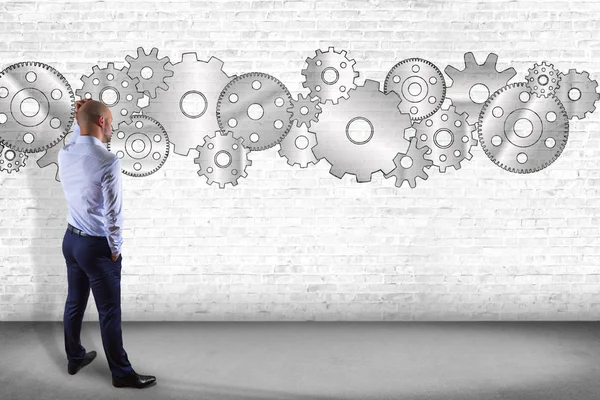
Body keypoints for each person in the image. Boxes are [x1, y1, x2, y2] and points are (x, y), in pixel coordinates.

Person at [58, 98, 156, 389]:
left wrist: (81, 118)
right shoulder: (108, 161)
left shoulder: (66, 152)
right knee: (109, 311)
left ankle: (74, 356)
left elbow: (80, 137)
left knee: (75, 302)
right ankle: (122, 373)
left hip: (70, 241)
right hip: (97, 248)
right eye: (110, 121)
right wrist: (115, 248)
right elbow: (114, 214)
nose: (112, 127)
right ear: (102, 122)